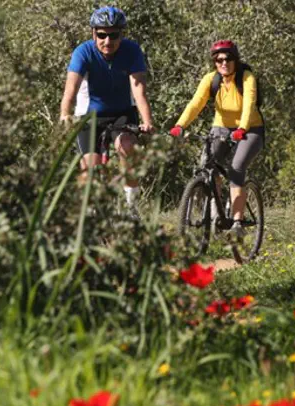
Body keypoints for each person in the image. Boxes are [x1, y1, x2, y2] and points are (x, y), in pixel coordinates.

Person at [59, 6, 155, 217]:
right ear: (93, 33)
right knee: (89, 167)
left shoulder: (131, 51)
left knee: (128, 148)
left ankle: (131, 208)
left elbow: (139, 91)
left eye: (114, 35)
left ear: (122, 34)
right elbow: (70, 91)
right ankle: (89, 213)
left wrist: (147, 122)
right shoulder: (83, 52)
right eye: (101, 35)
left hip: (122, 113)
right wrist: (65, 114)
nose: (107, 41)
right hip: (90, 116)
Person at [168, 40, 265, 238]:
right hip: (221, 127)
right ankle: (214, 216)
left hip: (251, 129)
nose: (223, 62)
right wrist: (180, 125)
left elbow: (249, 104)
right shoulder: (211, 79)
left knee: (236, 167)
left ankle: (237, 222)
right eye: (218, 59)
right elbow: (195, 104)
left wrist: (242, 128)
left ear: (235, 60)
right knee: (208, 166)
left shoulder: (246, 78)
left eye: (228, 58)